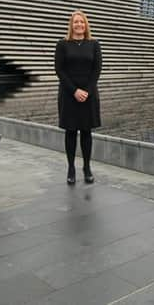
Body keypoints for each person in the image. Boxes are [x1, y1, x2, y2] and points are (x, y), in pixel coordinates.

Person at [54, 10, 102, 185]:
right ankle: (71, 168)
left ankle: (87, 167)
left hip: (88, 95)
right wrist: (75, 91)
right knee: (71, 132)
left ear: (86, 24)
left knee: (87, 132)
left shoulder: (94, 44)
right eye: (76, 22)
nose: (79, 25)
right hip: (69, 94)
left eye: (82, 22)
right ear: (71, 25)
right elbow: (60, 70)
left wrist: (86, 91)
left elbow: (97, 70)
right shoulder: (62, 44)